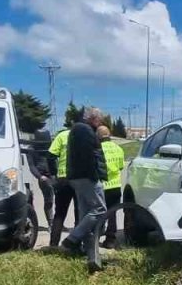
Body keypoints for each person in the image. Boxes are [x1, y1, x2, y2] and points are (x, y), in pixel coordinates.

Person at [60, 108, 108, 272]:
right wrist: (95, 176)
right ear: (93, 119)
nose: (100, 124)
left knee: (86, 213)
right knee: (100, 210)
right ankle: (72, 239)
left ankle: (89, 253)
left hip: (77, 177)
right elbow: (90, 156)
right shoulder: (85, 130)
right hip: (86, 177)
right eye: (99, 120)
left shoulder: (77, 129)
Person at [46, 126, 75, 247]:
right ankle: (76, 244)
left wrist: (54, 174)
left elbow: (51, 155)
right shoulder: (83, 135)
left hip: (62, 178)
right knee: (80, 212)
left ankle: (53, 244)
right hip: (79, 178)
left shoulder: (62, 136)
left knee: (60, 213)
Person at [98, 125, 125, 249]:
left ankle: (96, 236)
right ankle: (110, 240)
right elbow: (120, 167)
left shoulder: (97, 149)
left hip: (101, 186)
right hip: (115, 186)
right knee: (112, 214)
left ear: (98, 136)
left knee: (99, 213)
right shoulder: (118, 149)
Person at [25, 130, 56, 230]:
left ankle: (58, 221)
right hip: (43, 176)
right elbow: (32, 166)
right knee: (49, 200)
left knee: (60, 200)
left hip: (55, 174)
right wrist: (39, 176)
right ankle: (51, 223)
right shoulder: (32, 150)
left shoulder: (52, 146)